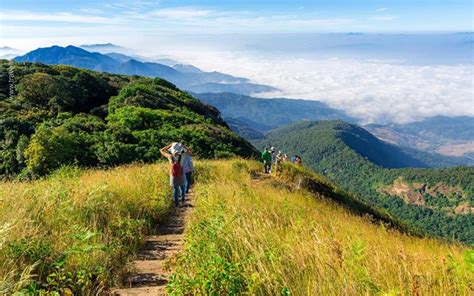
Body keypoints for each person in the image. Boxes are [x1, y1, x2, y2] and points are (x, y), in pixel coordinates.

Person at [160, 142, 189, 207]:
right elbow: (189, 150)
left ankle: (176, 204)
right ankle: (183, 202)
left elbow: (161, 150)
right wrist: (183, 145)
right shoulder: (182, 155)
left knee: (175, 189)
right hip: (181, 174)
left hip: (173, 175)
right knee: (183, 188)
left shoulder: (170, 156)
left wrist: (169, 145)